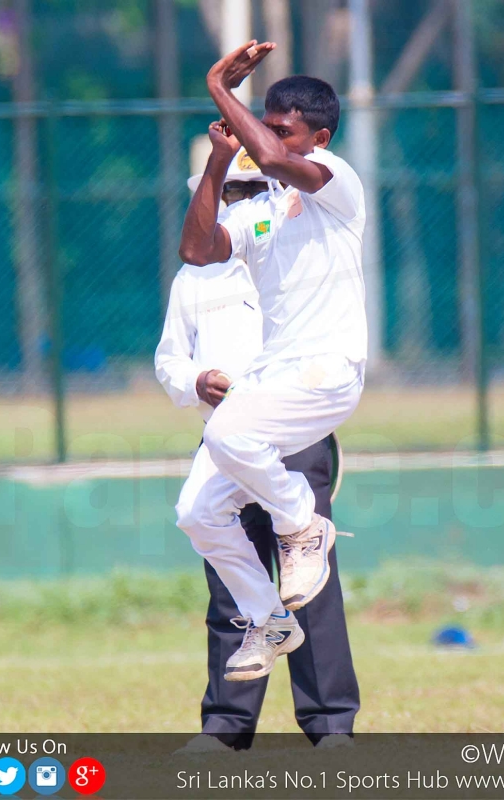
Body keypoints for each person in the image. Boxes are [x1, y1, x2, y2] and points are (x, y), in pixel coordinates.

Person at [175, 42, 368, 682]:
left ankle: (300, 524)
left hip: (327, 369)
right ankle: (269, 618)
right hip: (274, 376)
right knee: (198, 513)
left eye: (284, 129)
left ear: (321, 137)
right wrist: (217, 159)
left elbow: (279, 159)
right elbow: (197, 250)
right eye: (268, 125)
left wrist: (218, 88)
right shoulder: (260, 210)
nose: (269, 140)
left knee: (228, 433)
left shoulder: (336, 181)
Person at [155, 154, 359, 749]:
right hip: (223, 435)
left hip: (292, 434)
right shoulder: (196, 276)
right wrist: (197, 382)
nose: (242, 201)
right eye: (232, 191)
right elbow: (169, 361)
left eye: (253, 189)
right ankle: (225, 729)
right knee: (229, 581)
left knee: (307, 582)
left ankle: (330, 728)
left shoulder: (298, 253)